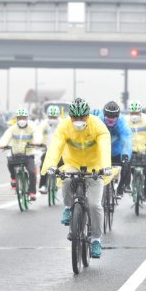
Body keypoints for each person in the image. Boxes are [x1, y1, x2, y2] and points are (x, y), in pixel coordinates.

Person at [41, 98, 111, 259]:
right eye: (75, 118)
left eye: (82, 118)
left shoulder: (98, 126)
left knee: (94, 205)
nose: (78, 121)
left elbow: (105, 146)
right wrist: (51, 165)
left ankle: (95, 240)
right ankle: (68, 208)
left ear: (88, 116)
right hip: (72, 164)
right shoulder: (64, 126)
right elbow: (55, 146)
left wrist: (105, 167)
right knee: (65, 179)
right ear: (70, 117)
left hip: (95, 167)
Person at [0, 106, 42, 201]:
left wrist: (36, 142)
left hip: (28, 154)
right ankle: (13, 178)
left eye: (24, 118)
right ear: (16, 119)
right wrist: (3, 144)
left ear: (27, 118)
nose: (21, 120)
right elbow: (5, 137)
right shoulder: (12, 128)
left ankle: (32, 192)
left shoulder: (32, 127)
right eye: (19, 118)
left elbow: (37, 135)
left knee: (31, 172)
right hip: (15, 153)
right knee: (9, 163)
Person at [92, 101, 133, 198]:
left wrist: (125, 155)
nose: (110, 119)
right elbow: (91, 138)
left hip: (117, 151)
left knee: (126, 165)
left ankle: (120, 188)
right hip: (101, 152)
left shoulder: (122, 123)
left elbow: (126, 139)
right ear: (104, 114)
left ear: (118, 116)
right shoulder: (98, 121)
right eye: (108, 116)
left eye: (113, 117)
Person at [37, 105, 62, 194]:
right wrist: (38, 142)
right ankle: (43, 185)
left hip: (60, 150)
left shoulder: (62, 123)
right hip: (47, 149)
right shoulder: (44, 124)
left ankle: (61, 182)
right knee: (43, 166)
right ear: (47, 116)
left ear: (58, 116)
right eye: (51, 117)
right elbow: (38, 133)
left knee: (64, 165)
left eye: (54, 117)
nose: (52, 119)